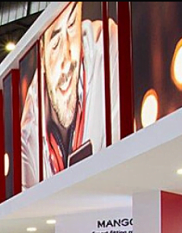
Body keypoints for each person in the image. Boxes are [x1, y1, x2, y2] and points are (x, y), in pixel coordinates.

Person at [22, 2, 119, 188]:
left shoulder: (106, 47)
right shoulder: (28, 138)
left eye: (72, 25)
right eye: (55, 44)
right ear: (42, 55)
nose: (66, 59)